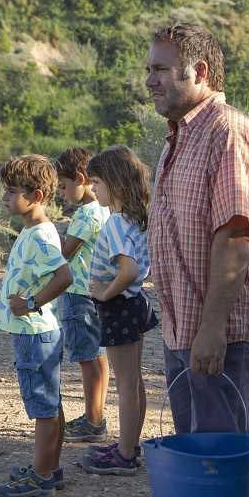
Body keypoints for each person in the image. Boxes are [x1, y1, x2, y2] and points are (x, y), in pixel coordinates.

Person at [145, 23, 249, 435]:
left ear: (201, 71)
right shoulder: (180, 136)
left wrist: (211, 330)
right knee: (197, 461)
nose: (149, 80)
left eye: (160, 69)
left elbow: (234, 238)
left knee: (216, 457)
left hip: (221, 333)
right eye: (149, 69)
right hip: (185, 329)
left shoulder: (229, 133)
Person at [0, 155, 73, 497]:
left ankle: (40, 479)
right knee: (50, 404)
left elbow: (64, 276)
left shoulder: (40, 236)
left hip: (34, 334)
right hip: (36, 334)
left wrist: (31, 303)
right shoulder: (33, 231)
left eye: (11, 191)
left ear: (36, 195)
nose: (4, 198)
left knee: (42, 406)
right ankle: (49, 470)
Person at [79, 146, 156, 476]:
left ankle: (125, 455)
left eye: (96, 182)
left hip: (120, 306)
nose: (93, 189)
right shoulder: (134, 218)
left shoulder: (115, 224)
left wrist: (104, 293)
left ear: (116, 183)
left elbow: (128, 270)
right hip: (134, 304)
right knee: (133, 381)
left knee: (125, 385)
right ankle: (130, 444)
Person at [53, 147, 111, 444]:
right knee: (98, 357)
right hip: (97, 292)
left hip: (78, 294)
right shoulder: (105, 207)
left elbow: (64, 253)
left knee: (88, 359)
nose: (62, 193)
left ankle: (94, 421)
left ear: (80, 178)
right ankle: (95, 416)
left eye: (64, 186)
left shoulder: (86, 214)